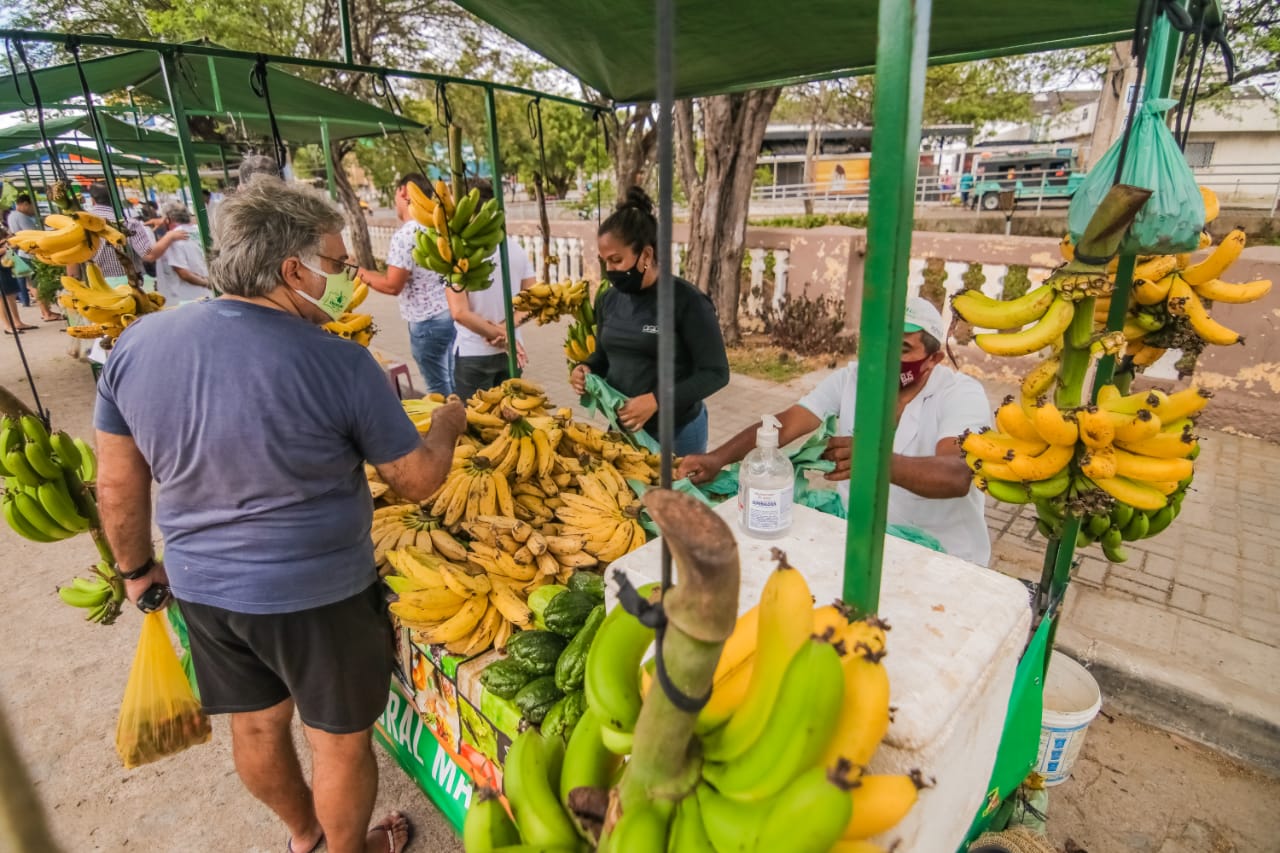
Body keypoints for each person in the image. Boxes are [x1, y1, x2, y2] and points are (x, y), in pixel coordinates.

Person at [94, 177, 466, 853]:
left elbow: (117, 485)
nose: (344, 278)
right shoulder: (341, 362)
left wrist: (136, 570)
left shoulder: (137, 344)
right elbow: (416, 481)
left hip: (205, 589)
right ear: (293, 270)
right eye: (336, 263)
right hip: (318, 595)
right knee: (337, 740)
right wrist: (446, 425)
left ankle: (304, 838)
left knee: (257, 724)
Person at [678, 297, 993, 565]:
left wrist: (873, 461)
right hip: (862, 538)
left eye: (902, 349)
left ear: (933, 359)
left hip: (942, 555)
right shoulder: (852, 380)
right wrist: (717, 458)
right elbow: (785, 423)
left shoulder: (960, 395)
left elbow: (956, 475)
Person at [569, 187, 729, 455]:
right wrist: (586, 368)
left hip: (677, 433)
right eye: (604, 261)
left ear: (646, 255)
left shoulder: (687, 301)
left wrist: (656, 401)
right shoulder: (608, 300)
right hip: (623, 428)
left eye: (616, 260)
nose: (609, 270)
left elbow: (716, 373)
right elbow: (604, 356)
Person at [356, 173, 456, 395]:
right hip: (449, 314)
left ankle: (453, 417)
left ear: (403, 192)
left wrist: (359, 273)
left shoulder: (405, 235)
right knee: (449, 379)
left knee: (438, 388)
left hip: (427, 323)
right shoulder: (438, 227)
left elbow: (393, 285)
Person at [446, 179, 536, 403]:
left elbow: (459, 312)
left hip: (473, 355)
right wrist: (506, 333)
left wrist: (498, 334)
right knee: (510, 418)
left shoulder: (456, 254)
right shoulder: (515, 249)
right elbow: (533, 301)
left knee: (474, 422)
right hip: (512, 352)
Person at [83, 183, 186, 281]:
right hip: (130, 284)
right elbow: (149, 256)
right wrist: (169, 237)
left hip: (94, 285)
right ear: (116, 197)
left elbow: (74, 268)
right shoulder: (129, 223)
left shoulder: (81, 224)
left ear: (92, 199)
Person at [154, 202, 212, 304]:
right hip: (210, 294)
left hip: (187, 299)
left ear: (168, 219)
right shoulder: (199, 230)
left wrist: (207, 283)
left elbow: (184, 274)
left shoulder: (173, 238)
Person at [6, 194, 42, 312]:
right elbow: (32, 235)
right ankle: (45, 312)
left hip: (20, 252)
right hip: (29, 253)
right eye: (32, 206)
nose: (33, 209)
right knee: (36, 283)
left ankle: (25, 300)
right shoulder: (22, 216)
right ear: (25, 204)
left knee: (25, 280)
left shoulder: (11, 216)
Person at [0, 227, 37, 334]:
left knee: (11, 296)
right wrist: (7, 247)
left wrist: (8, 241)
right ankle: (7, 326)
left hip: (6, 267)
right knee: (2, 299)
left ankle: (17, 322)